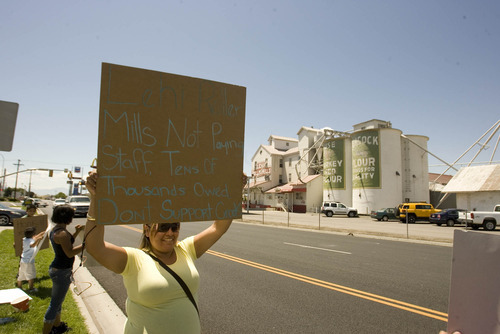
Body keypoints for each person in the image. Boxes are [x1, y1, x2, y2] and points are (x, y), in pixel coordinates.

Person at [84, 170, 246, 334]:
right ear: (147, 230)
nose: (170, 233)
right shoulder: (134, 259)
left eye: (174, 226)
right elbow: (95, 247)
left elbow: (218, 228)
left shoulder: (186, 249)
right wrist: (96, 199)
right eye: (162, 227)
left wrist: (234, 190)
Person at [42, 205, 84, 334]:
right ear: (67, 217)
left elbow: (67, 243)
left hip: (59, 270)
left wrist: (76, 233)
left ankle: (58, 326)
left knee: (58, 302)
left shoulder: (57, 230)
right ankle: (47, 331)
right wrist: (86, 244)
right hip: (61, 272)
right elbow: (70, 253)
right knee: (55, 304)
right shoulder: (62, 233)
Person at [17, 226, 44, 292]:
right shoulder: (28, 241)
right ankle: (31, 289)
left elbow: (37, 236)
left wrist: (45, 232)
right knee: (31, 274)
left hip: (23, 260)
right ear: (32, 234)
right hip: (28, 261)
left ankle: (19, 287)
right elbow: (33, 245)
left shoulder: (26, 239)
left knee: (21, 273)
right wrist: (38, 239)